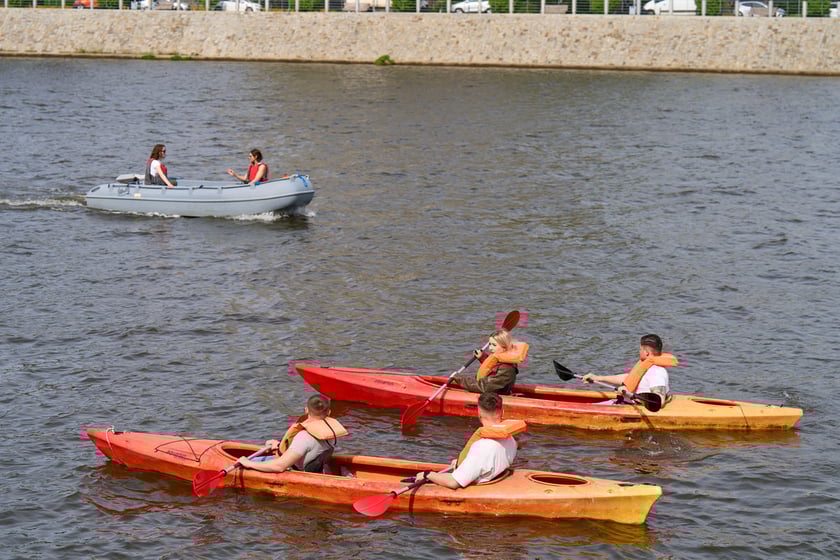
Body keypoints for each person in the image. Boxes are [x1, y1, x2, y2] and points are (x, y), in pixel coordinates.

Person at [416, 392, 524, 489]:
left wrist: (427, 474)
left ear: (479, 413)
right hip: (493, 477)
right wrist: (461, 463)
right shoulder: (511, 439)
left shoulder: (482, 447)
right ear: (502, 411)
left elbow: (453, 483)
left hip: (478, 487)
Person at [239, 394, 347, 474]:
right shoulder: (331, 432)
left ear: (306, 410)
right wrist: (278, 445)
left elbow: (280, 466)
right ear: (329, 412)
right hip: (314, 467)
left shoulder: (304, 437)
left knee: (243, 463)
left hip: (295, 470)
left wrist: (248, 463)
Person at [582, 334, 678, 406]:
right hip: (625, 403)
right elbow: (627, 378)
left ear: (646, 353)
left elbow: (659, 401)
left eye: (640, 349)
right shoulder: (646, 366)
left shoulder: (657, 373)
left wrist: (628, 394)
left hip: (633, 407)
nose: (639, 352)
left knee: (586, 408)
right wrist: (598, 378)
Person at [453, 328, 529, 395]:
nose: (490, 348)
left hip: (493, 399)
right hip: (491, 393)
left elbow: (484, 387)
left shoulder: (506, 370)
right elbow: (492, 367)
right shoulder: (502, 361)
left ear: (505, 347)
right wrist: (482, 357)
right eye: (489, 344)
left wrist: (459, 378)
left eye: (494, 345)